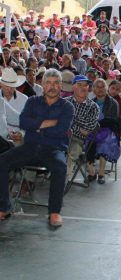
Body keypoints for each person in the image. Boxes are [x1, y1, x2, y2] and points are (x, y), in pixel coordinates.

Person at [0, 69, 75, 227]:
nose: (52, 86)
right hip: (30, 147)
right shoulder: (33, 101)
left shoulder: (67, 107)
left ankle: (54, 212)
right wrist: (49, 122)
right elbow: (23, 122)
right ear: (42, 84)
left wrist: (37, 125)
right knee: (2, 161)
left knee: (60, 167)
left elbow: (60, 130)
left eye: (55, 83)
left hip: (54, 149)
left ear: (60, 85)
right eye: (48, 82)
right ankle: (4, 207)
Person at [65, 75, 100, 181]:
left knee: (72, 152)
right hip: (59, 135)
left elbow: (89, 128)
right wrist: (79, 127)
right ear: (73, 87)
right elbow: (58, 121)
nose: (83, 87)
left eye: (86, 85)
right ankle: (29, 180)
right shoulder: (64, 102)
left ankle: (63, 181)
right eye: (79, 84)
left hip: (78, 140)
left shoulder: (93, 107)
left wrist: (70, 120)